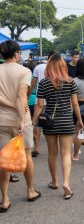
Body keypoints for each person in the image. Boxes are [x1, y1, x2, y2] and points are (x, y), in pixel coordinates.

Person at [32, 54, 83, 200]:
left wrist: (33, 121)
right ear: (63, 66)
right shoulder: (70, 81)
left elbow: (40, 105)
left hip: (50, 121)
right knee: (66, 153)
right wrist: (79, 120)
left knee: (52, 153)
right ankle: (66, 184)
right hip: (66, 120)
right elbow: (74, 104)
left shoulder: (43, 83)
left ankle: (55, 181)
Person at [0, 40, 41, 212]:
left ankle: (5, 200)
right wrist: (21, 118)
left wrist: (9, 106)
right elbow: (21, 96)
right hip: (20, 120)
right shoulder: (25, 71)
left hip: (1, 120)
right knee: (26, 156)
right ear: (17, 54)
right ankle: (30, 191)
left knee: (3, 160)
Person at [28, 51, 55, 157]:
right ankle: (52, 147)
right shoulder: (57, 68)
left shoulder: (38, 67)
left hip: (39, 99)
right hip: (53, 100)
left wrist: (27, 96)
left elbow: (33, 83)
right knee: (52, 122)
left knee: (37, 123)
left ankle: (37, 147)